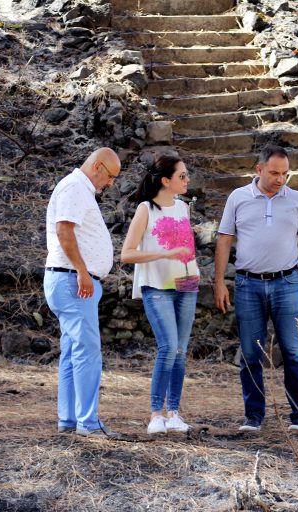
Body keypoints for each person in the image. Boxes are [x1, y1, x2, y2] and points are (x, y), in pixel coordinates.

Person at [214, 145, 298, 432]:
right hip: (247, 284)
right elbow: (224, 240)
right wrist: (219, 283)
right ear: (258, 169)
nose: (280, 179)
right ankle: (253, 417)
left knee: (294, 352)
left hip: (287, 283)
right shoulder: (238, 198)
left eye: (285, 173)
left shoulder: (297, 200)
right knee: (250, 353)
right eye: (274, 173)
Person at [43, 147, 122, 438]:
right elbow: (65, 231)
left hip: (69, 280)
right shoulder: (75, 187)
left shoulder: (79, 189)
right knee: (87, 352)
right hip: (72, 281)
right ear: (98, 166)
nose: (111, 183)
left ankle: (69, 419)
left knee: (73, 351)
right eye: (111, 176)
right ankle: (88, 422)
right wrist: (82, 271)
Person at [121, 154, 200, 435]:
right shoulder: (146, 209)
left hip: (187, 283)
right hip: (156, 285)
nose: (187, 180)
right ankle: (156, 414)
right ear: (165, 181)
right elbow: (127, 254)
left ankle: (174, 413)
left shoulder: (183, 208)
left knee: (180, 350)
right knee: (167, 347)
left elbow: (185, 247)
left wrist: (193, 267)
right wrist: (165, 254)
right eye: (181, 176)